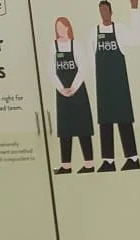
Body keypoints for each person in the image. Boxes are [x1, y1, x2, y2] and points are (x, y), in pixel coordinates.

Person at [92, 0, 140, 173]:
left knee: (124, 119)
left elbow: (136, 39)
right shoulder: (94, 33)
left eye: (106, 10)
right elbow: (92, 59)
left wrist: (134, 10)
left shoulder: (119, 29)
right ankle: (108, 161)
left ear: (111, 12)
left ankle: (132, 158)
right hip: (103, 83)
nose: (104, 13)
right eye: (101, 10)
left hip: (119, 81)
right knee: (105, 121)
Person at [50, 16, 94, 172]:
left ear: (68, 28)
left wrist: (73, 87)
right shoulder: (53, 47)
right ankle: (66, 165)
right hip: (62, 93)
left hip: (78, 91)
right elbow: (51, 71)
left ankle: (89, 164)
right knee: (65, 130)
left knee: (83, 128)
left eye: (62, 27)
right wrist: (61, 88)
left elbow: (83, 68)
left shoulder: (77, 45)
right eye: (57, 28)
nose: (59, 30)